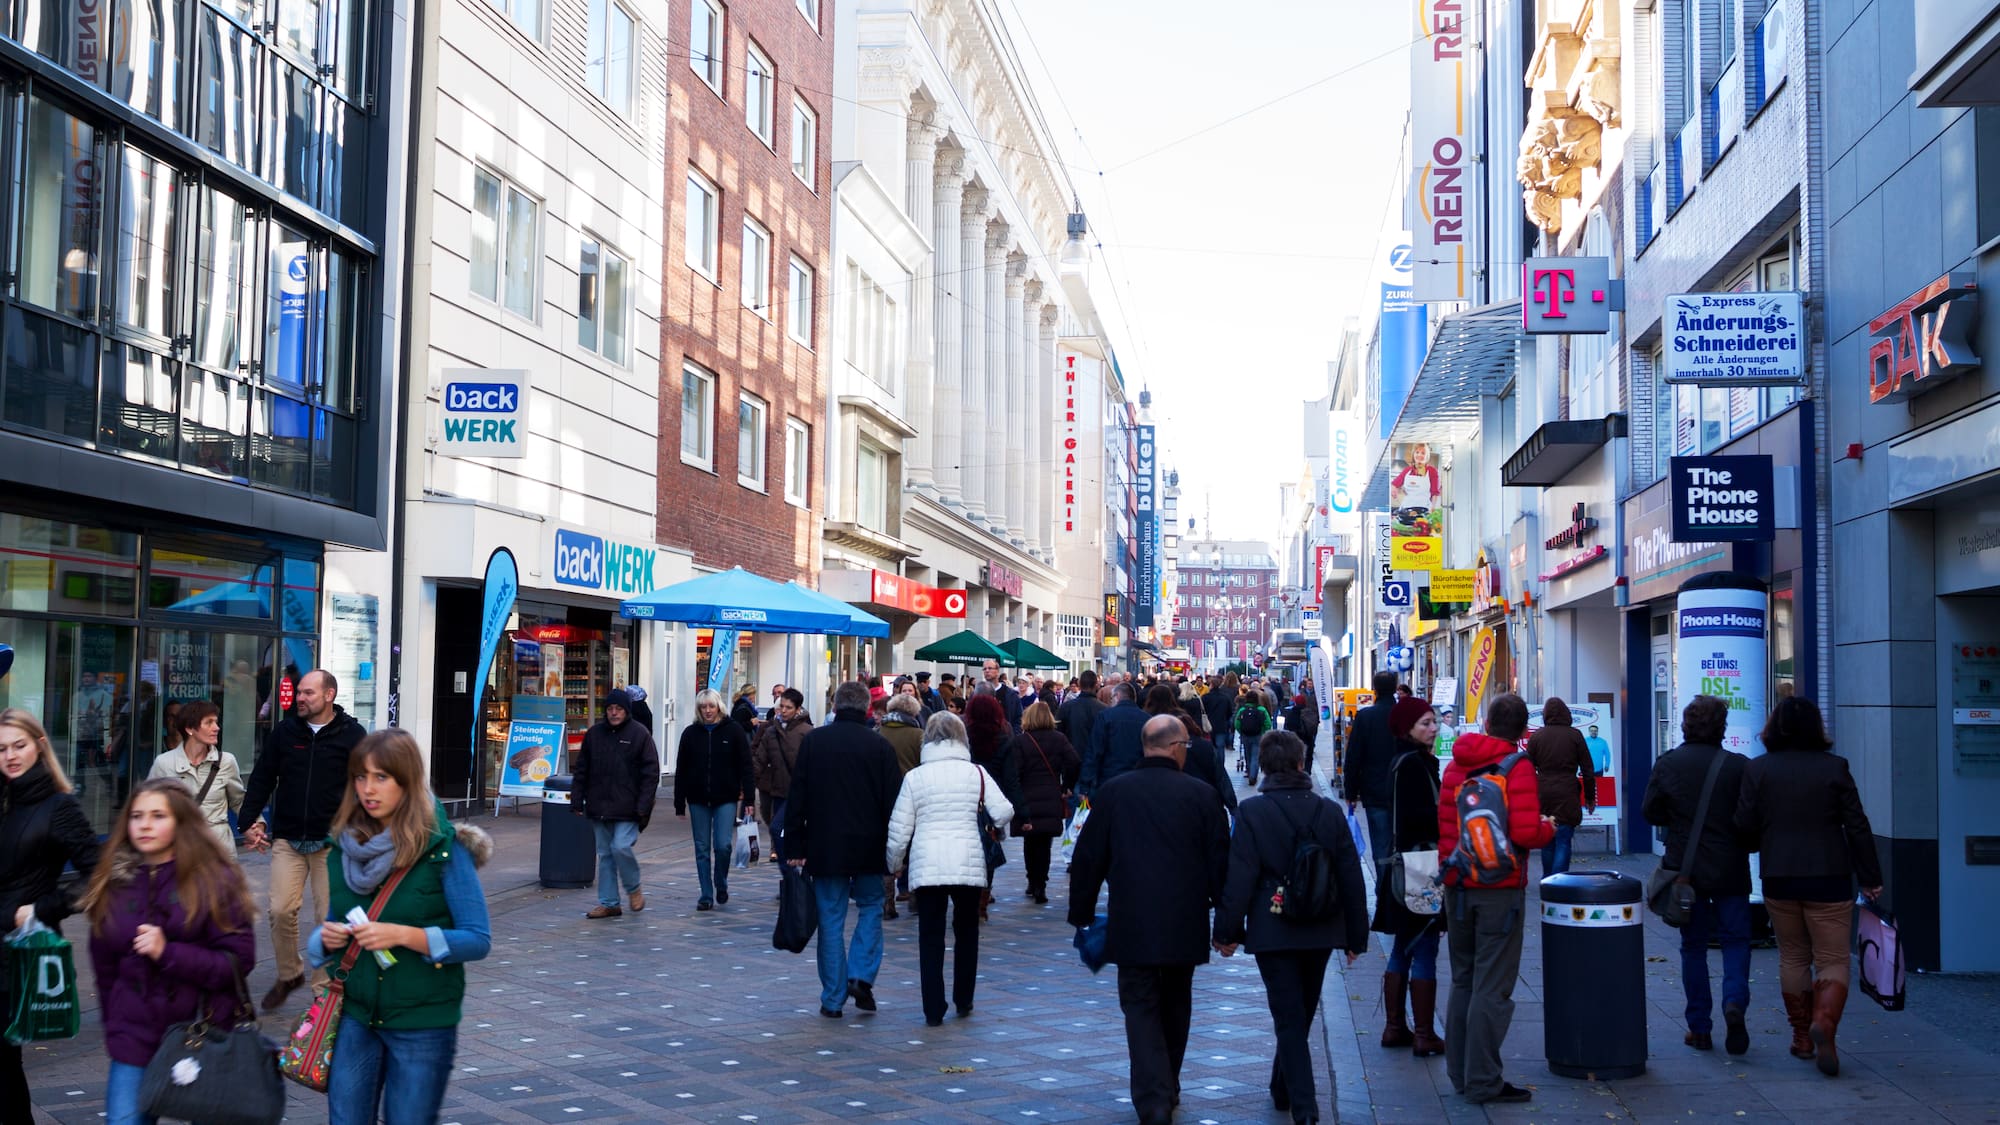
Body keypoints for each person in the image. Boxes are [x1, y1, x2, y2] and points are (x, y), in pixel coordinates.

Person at [309, 730, 493, 1124]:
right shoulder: (343, 847)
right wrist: (324, 939)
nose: (367, 789)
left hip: (422, 1022)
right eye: (360, 777)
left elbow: (477, 939)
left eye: (381, 777)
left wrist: (406, 936)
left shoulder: (443, 848)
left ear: (406, 782)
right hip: (355, 1016)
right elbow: (328, 926)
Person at [1068, 715, 1230, 1125]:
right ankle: (1167, 1083)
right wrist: (1227, 920)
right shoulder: (1202, 795)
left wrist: (1082, 912)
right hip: (1184, 920)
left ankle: (1153, 1097)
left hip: (1132, 919)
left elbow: (1088, 858)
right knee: (1177, 1004)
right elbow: (1220, 864)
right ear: (1176, 746)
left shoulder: (1114, 793)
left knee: (1140, 1009)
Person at [1214, 731, 1368, 1124]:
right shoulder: (1327, 810)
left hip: (1273, 922)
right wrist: (1356, 935)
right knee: (1300, 1011)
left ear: (1264, 766)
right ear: (1301, 763)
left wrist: (1227, 930)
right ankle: (1283, 1088)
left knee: (1288, 1014)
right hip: (1321, 922)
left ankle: (1304, 1105)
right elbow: (1351, 874)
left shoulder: (1253, 813)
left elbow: (1241, 876)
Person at [83, 780, 256, 1125]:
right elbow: (104, 966)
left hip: (204, 1031)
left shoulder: (214, 881)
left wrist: (168, 952)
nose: (145, 824)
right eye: (137, 816)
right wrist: (114, 1025)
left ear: (181, 823)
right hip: (134, 1037)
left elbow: (238, 960)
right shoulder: (114, 883)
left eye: (158, 815)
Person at [1734, 697, 1883, 1077]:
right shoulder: (1835, 768)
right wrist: (1870, 876)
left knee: (1793, 957)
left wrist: (1761, 841)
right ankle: (1825, 1025)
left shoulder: (1759, 769)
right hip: (1829, 876)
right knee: (1832, 958)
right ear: (1817, 728)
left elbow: (1744, 824)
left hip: (1779, 875)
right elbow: (1858, 825)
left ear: (1774, 728)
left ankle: (1802, 1037)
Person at [1436, 693, 1554, 1105]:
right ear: (1523, 731)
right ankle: (1484, 1080)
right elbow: (1524, 833)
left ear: (1485, 723)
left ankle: (1460, 1074)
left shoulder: (1455, 764)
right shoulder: (1517, 767)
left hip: (1458, 884)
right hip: (1500, 890)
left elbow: (1446, 826)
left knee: (1463, 979)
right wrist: (1548, 829)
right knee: (1493, 985)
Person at [239, 668, 366, 1012]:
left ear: (329, 695)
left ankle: (323, 990)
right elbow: (263, 776)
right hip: (289, 837)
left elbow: (365, 786)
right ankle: (289, 973)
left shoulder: (352, 735)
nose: (300, 698)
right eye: (299, 693)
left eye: (308, 693)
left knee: (328, 918)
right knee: (280, 910)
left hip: (332, 842)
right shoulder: (285, 732)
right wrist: (249, 820)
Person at [0, 710, 102, 1125]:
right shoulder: (3, 800)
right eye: (1, 749)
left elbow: (98, 876)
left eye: (18, 745)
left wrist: (43, 908)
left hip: (16, 957)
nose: (10, 756)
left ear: (40, 745)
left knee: (4, 1067)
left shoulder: (59, 806)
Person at [885, 712, 1014, 1026]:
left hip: (927, 863)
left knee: (929, 935)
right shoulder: (977, 774)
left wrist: (894, 863)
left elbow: (900, 828)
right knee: (967, 931)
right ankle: (964, 998)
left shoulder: (915, 777)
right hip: (968, 862)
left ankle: (933, 1007)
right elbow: (1004, 810)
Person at [784, 681, 903, 1018]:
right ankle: (861, 975)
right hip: (869, 844)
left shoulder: (815, 743)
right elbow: (893, 804)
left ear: (834, 707)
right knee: (870, 907)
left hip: (825, 844)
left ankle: (833, 997)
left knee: (831, 919)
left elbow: (798, 797)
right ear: (866, 708)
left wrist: (794, 843)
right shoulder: (879, 747)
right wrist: (897, 851)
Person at [1641, 696, 1753, 1054]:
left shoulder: (1669, 764)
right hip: (1730, 868)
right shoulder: (1739, 767)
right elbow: (1750, 819)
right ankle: (1734, 1001)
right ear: (1721, 727)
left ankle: (1699, 1027)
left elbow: (1651, 812)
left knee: (1694, 947)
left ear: (1685, 725)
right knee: (1736, 941)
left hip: (1686, 873)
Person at [1370, 697, 1447, 1056]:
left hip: (1404, 867)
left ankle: (1394, 1026)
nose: (1433, 728)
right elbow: (1420, 820)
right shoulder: (1415, 764)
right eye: (1425, 723)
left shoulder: (1401, 762)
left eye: (1433, 722)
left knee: (1403, 947)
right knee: (1425, 948)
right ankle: (1424, 1033)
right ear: (1407, 730)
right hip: (1421, 869)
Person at [575, 687, 660, 918]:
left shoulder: (640, 734)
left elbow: (651, 773)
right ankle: (610, 902)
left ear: (627, 710)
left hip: (629, 806)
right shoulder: (594, 734)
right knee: (605, 854)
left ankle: (634, 889)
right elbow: (582, 769)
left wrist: (644, 804)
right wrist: (576, 799)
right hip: (599, 805)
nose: (614, 713)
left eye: (618, 709)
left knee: (620, 847)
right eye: (610, 708)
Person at [673, 689, 750, 911]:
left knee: (723, 845)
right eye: (703, 707)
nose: (707, 711)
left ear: (719, 707)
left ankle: (721, 881)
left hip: (726, 796)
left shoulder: (733, 730)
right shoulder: (690, 734)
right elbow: (682, 769)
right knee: (702, 847)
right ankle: (706, 894)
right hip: (697, 798)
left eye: (711, 706)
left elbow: (746, 766)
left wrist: (749, 799)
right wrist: (679, 802)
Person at [147, 701, 244, 854]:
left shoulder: (227, 761)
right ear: (190, 729)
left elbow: (239, 801)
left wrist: (255, 825)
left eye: (216, 722)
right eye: (209, 723)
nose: (216, 728)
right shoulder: (164, 763)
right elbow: (149, 806)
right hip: (180, 852)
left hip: (219, 853)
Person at [1009, 701, 1080, 904]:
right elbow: (1074, 761)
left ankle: (1032, 880)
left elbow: (1015, 771)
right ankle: (1041, 884)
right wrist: (1067, 785)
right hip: (1050, 795)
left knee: (1030, 841)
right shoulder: (1059, 739)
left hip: (1027, 796)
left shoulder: (1021, 741)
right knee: (1044, 843)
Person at [1526, 697, 1597, 878]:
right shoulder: (1575, 736)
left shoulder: (1537, 737)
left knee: (1547, 840)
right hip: (1567, 793)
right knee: (1564, 840)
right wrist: (1590, 797)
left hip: (1544, 793)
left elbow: (1526, 768)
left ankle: (1547, 879)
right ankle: (1559, 883)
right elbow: (1588, 769)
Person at [1342, 672, 1400, 875]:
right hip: (1404, 790)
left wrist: (1350, 791)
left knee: (1381, 847)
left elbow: (1353, 756)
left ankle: (1383, 893)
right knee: (1404, 846)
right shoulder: (1404, 715)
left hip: (1376, 791)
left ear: (1374, 689)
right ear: (1395, 687)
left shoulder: (1366, 717)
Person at [752, 688, 812, 864]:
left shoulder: (807, 732)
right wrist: (746, 786)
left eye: (788, 707)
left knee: (782, 829)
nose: (784, 711)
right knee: (777, 829)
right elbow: (759, 760)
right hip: (778, 790)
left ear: (798, 709)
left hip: (800, 793)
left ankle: (797, 874)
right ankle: (789, 875)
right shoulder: (771, 731)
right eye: (782, 707)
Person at [878, 692, 925, 916]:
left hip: (883, 798)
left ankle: (888, 902)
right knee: (913, 848)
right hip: (913, 797)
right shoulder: (919, 735)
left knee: (888, 846)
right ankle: (915, 898)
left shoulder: (878, 733)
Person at [1080, 682, 1148, 797]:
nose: (1111, 702)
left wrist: (1085, 785)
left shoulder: (1105, 716)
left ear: (1117, 696)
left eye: (1111, 699)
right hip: (1138, 781)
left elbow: (1094, 752)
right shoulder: (1147, 719)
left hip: (1109, 779)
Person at [1057, 670, 1106, 757]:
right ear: (1096, 685)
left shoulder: (1066, 707)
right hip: (1096, 760)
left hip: (1071, 759)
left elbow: (1058, 734)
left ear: (1079, 684)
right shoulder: (1105, 710)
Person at [979, 658, 1023, 732]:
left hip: (1005, 738)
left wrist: (1013, 736)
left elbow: (1019, 718)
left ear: (997, 671)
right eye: (984, 669)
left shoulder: (1010, 694)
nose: (987, 671)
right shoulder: (978, 693)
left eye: (990, 668)